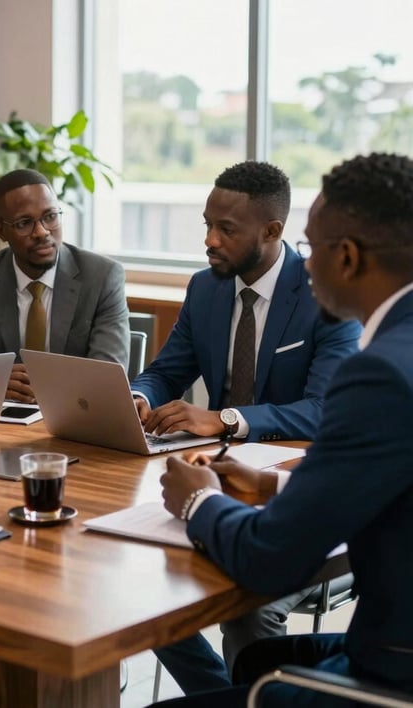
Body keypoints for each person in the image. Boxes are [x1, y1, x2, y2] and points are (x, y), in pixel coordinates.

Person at [157, 151, 413, 707]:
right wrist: (274, 487)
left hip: (390, 678)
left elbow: (271, 560)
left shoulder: (381, 374)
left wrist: (201, 501)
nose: (306, 264)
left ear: (345, 256)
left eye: (311, 249)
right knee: (254, 665)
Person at [129, 161, 360, 693]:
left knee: (248, 612)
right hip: (212, 478)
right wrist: (139, 396)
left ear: (273, 232)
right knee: (138, 586)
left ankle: (245, 697)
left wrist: (226, 418)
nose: (209, 240)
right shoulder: (205, 288)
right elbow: (169, 369)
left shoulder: (327, 290)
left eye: (226, 229)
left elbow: (324, 409)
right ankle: (225, 694)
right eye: (207, 224)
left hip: (293, 493)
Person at [0, 168, 130, 401]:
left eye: (50, 217)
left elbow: (106, 375)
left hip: (76, 415)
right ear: (0, 231)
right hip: (1, 420)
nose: (41, 232)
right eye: (24, 223)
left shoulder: (101, 277)